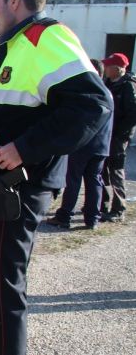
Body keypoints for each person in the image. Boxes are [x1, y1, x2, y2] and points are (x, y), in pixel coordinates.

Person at [0, 0, 112, 355]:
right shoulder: (13, 47)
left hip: (20, 187)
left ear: (15, 1)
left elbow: (94, 104)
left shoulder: (46, 38)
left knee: (4, 289)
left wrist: (23, 148)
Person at [46, 59, 113, 229]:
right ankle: (92, 219)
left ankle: (65, 216)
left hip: (85, 145)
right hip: (102, 146)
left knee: (74, 180)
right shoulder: (107, 92)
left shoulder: (90, 93)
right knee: (94, 181)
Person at [100, 52, 136, 222]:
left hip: (118, 138)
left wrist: (119, 133)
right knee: (103, 170)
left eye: (108, 66)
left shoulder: (128, 86)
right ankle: (103, 204)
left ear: (117, 68)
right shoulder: (107, 83)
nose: (105, 68)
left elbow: (132, 115)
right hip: (106, 135)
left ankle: (118, 208)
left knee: (116, 171)